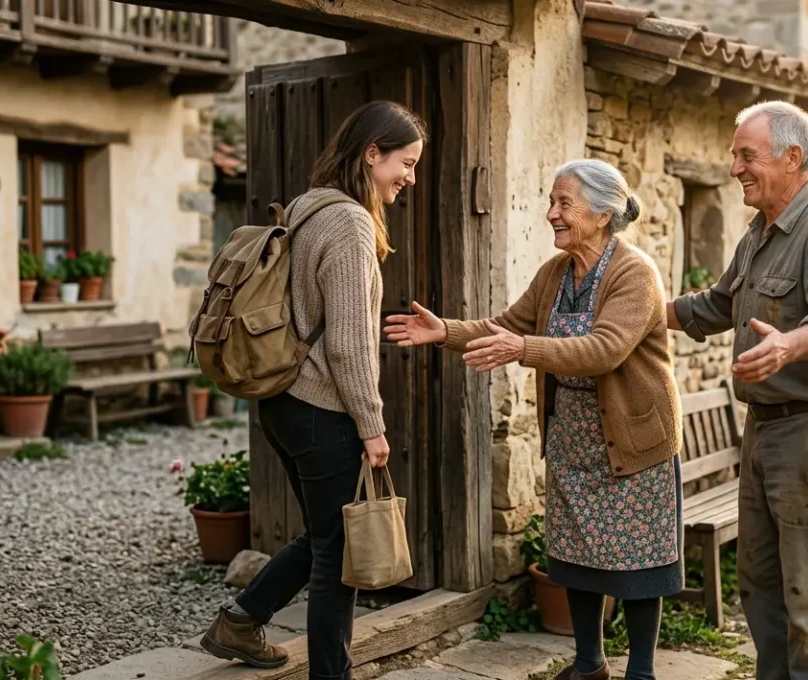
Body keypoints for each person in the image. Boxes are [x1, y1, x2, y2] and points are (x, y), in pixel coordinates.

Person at [386, 160, 682, 680]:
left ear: (603, 212)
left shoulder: (635, 274)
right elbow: (503, 326)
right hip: (573, 439)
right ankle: (589, 664)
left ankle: (641, 672)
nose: (552, 214)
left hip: (633, 439)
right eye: (552, 202)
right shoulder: (555, 274)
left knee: (639, 565)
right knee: (577, 555)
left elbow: (605, 349)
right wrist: (446, 332)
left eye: (564, 203)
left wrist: (522, 349)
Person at [198, 100, 426, 680]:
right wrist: (372, 427)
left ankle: (242, 621)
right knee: (340, 557)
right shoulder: (348, 222)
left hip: (282, 402)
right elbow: (349, 345)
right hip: (322, 409)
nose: (410, 177)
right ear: (372, 154)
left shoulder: (305, 206)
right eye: (406, 162)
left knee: (327, 535)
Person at [666, 100, 808, 680]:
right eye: (735, 155)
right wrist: (638, 314)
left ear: (792, 157)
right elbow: (715, 305)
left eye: (746, 155)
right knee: (761, 587)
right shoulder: (759, 234)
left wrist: (789, 344)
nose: (734, 167)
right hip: (765, 430)